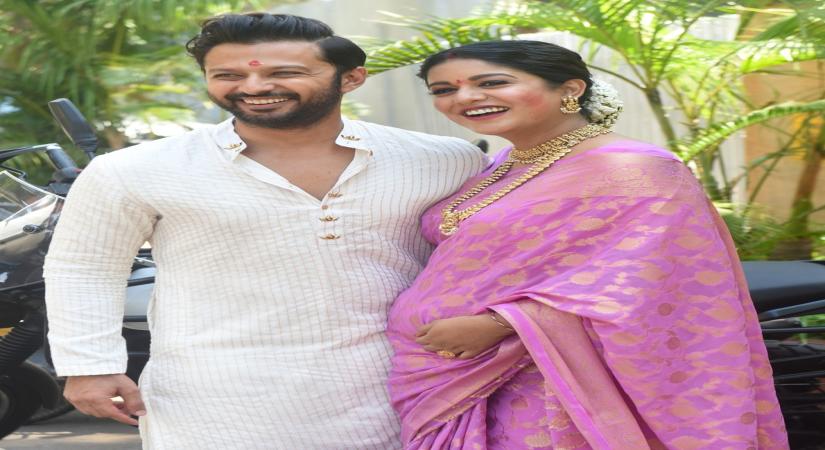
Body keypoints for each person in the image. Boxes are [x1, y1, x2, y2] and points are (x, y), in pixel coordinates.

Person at [43, 13, 487, 449]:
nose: (253, 87)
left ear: (351, 78)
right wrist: (89, 365)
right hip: (217, 398)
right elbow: (84, 267)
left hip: (402, 383)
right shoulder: (135, 169)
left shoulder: (443, 160)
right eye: (226, 74)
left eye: (286, 72)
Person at [386, 40, 789, 449]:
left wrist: (499, 325)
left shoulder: (636, 171)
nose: (466, 98)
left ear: (570, 89)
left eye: (492, 82)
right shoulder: (501, 164)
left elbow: (657, 288)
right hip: (452, 374)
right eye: (444, 90)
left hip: (553, 380)